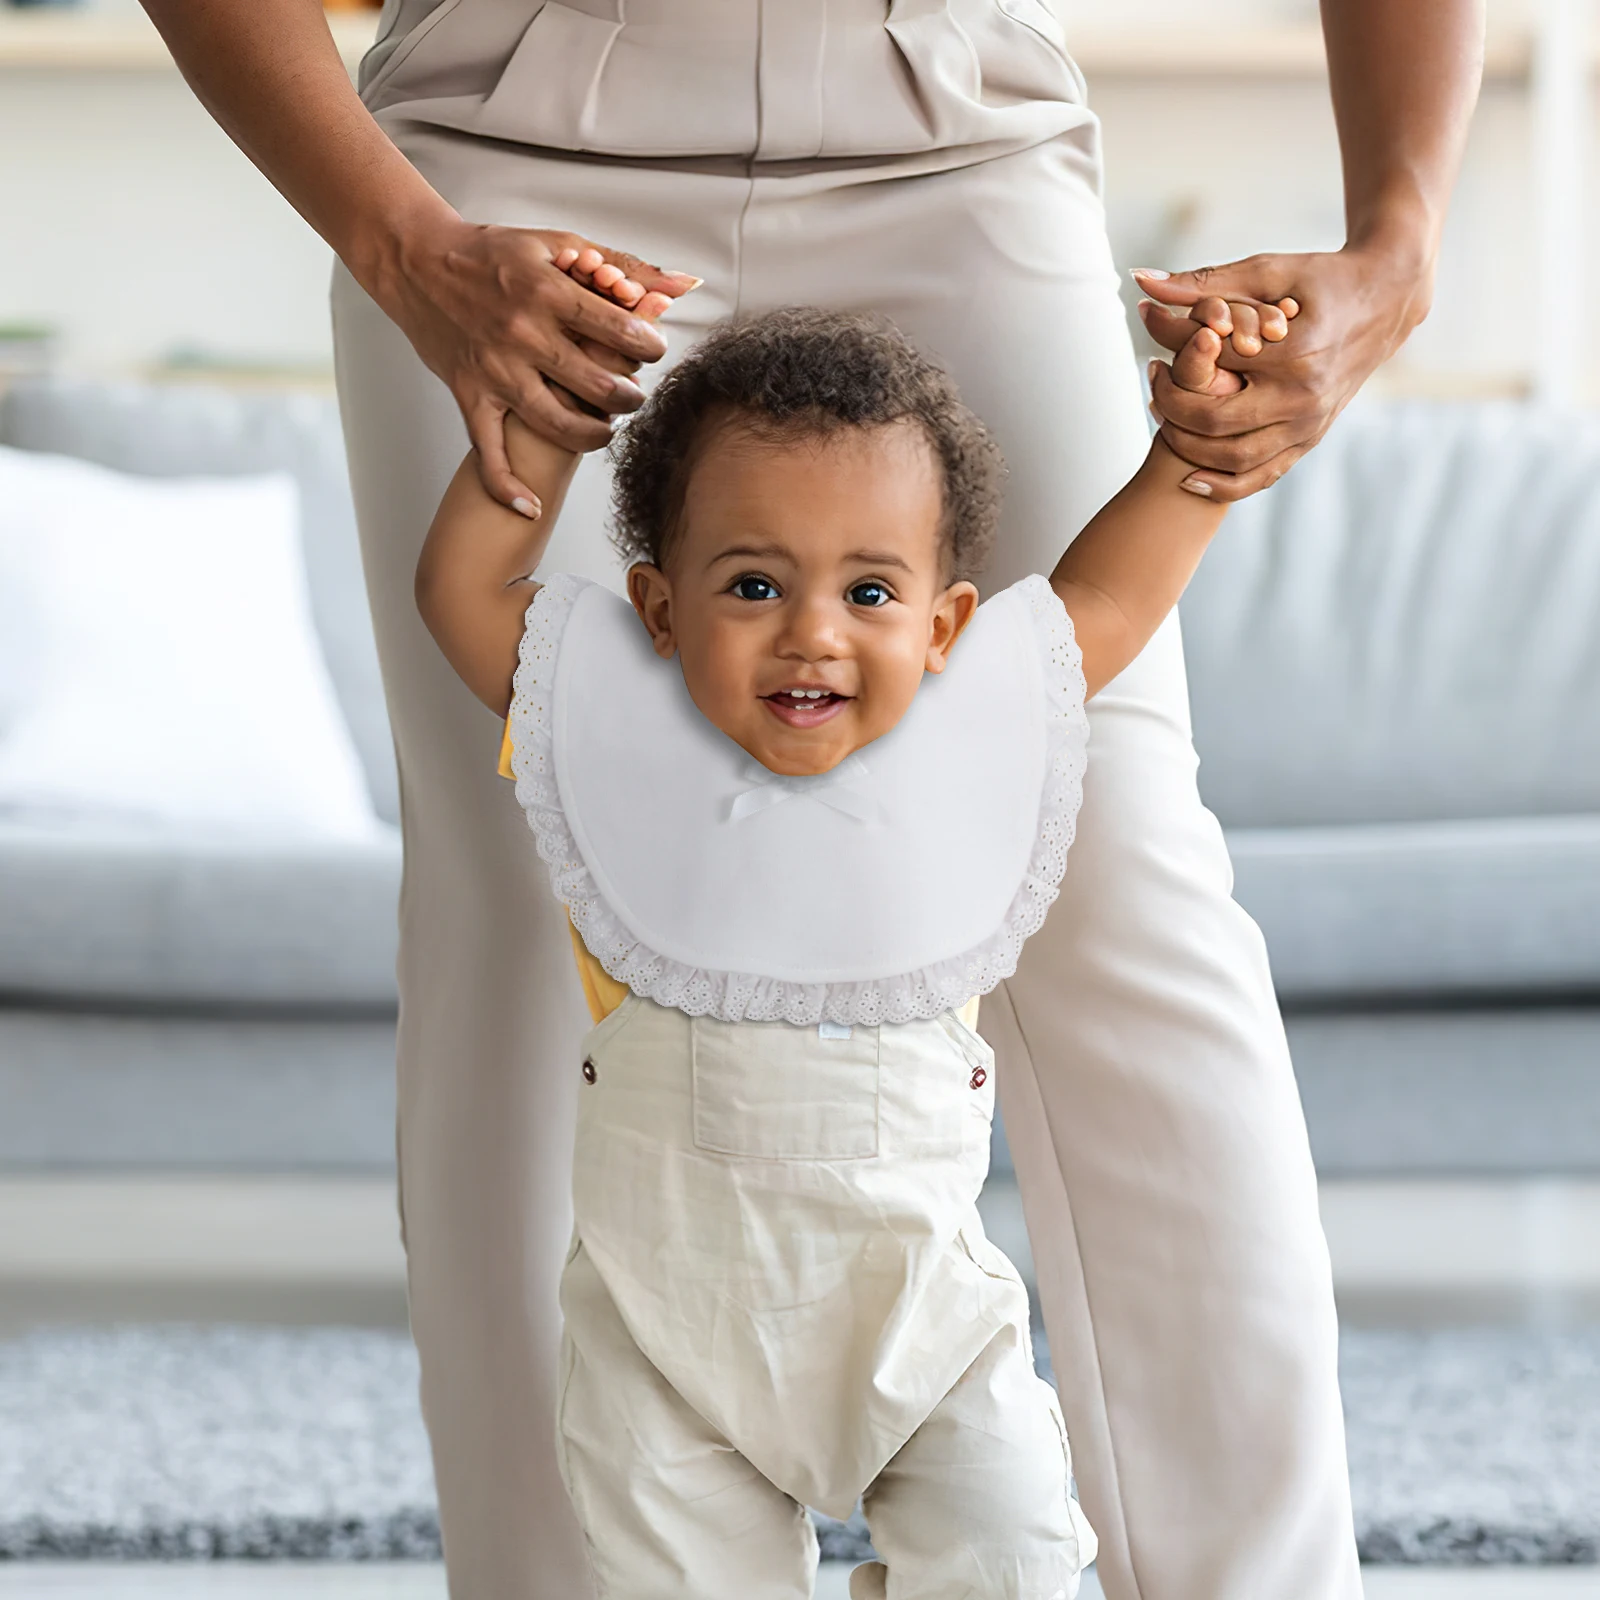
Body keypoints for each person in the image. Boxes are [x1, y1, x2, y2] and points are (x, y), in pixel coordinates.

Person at [135, 1, 1485, 1594]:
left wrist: (1398, 243)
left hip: (956, 136)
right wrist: (403, 242)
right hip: (507, 159)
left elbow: (1103, 613)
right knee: (528, 898)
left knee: (1118, 852)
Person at [415, 303, 1253, 1599]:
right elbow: (462, 590)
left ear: (942, 625)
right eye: (753, 584)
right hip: (660, 1347)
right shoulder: (615, 729)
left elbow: (1110, 592)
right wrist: (556, 420)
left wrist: (1193, 451)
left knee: (1017, 1559)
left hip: (924, 1335)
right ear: (657, 606)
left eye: (870, 590)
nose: (813, 630)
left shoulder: (963, 732)